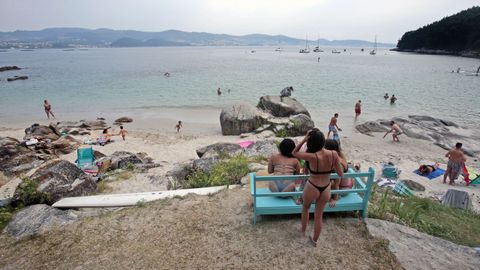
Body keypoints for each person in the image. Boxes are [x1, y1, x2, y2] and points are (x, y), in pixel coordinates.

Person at [293, 129, 344, 247]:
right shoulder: (334, 154)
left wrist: (304, 139)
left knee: (305, 208)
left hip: (312, 186)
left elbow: (295, 152)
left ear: (311, 143)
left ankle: (303, 231)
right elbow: (341, 174)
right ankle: (314, 240)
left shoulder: (312, 156)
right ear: (323, 141)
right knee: (318, 215)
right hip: (326, 188)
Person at [324, 139, 350, 208]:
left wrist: (334, 199)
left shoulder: (337, 163)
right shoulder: (341, 155)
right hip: (347, 186)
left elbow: (336, 184)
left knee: (326, 182)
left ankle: (333, 197)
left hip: (342, 190)